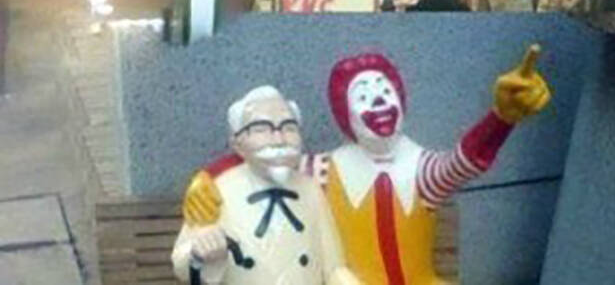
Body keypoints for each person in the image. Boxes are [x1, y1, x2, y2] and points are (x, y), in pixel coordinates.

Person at [182, 46, 551, 284]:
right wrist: (207, 177)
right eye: (363, 95)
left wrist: (501, 119)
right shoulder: (321, 171)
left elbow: (463, 163)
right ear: (345, 114)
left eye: (385, 91)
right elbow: (268, 155)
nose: (378, 102)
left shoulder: (421, 169)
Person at [172, 85, 358, 285]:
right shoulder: (217, 192)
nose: (279, 139)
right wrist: (200, 251)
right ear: (237, 143)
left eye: (289, 127)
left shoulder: (310, 190)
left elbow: (333, 267)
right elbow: (182, 265)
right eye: (261, 129)